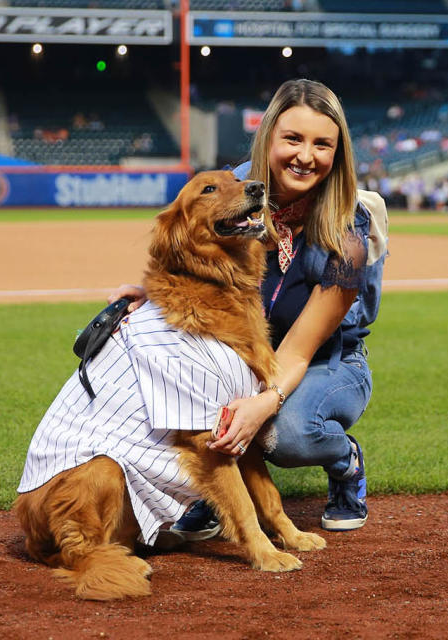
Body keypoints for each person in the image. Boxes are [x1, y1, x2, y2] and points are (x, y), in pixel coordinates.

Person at [109, 79, 387, 537]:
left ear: (338, 154)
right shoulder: (235, 188)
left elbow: (297, 353)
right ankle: (212, 495)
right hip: (246, 353)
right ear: (268, 139)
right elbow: (188, 248)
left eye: (322, 144)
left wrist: (263, 404)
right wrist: (152, 294)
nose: (305, 156)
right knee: (187, 396)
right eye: (293, 139)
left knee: (284, 433)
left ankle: (345, 460)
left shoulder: (349, 235)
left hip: (325, 360)